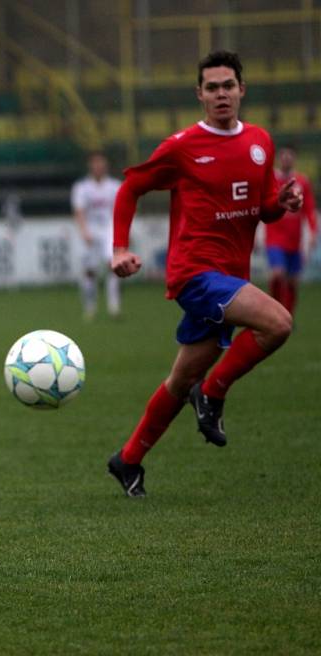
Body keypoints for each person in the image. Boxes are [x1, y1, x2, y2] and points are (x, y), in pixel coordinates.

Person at [106, 51, 303, 497]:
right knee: (279, 324)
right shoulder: (182, 146)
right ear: (199, 94)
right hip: (195, 274)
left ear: (241, 90)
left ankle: (128, 460)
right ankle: (212, 393)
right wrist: (119, 248)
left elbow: (264, 207)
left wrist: (283, 204)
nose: (221, 94)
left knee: (179, 381)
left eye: (228, 85)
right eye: (212, 87)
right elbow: (131, 187)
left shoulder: (259, 142)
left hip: (230, 278)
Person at [265, 145, 317, 315]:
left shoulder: (302, 181)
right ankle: (275, 309)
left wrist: (313, 231)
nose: (286, 158)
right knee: (277, 274)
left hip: (295, 240)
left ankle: (288, 314)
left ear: (294, 158)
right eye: (283, 155)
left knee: (293, 282)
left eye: (290, 155)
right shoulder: (271, 178)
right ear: (279, 158)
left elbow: (309, 209)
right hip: (274, 238)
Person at [70, 152, 122, 319]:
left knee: (113, 266)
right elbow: (79, 211)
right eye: (95, 163)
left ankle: (114, 307)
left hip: (109, 229)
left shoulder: (115, 186)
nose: (98, 167)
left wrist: (122, 233)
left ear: (106, 166)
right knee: (89, 271)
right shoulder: (82, 187)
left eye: (101, 163)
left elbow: (121, 211)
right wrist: (84, 231)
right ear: (90, 166)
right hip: (90, 229)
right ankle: (90, 307)